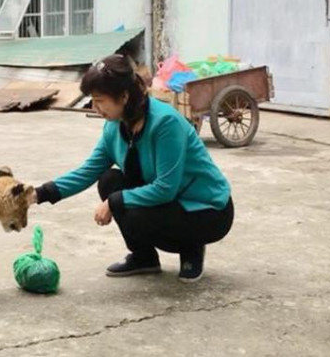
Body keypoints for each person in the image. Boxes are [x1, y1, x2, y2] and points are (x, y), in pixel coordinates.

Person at [35, 54, 234, 282]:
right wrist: (39, 194)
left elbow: (165, 188)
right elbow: (87, 171)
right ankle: (144, 257)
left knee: (128, 205)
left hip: (206, 210)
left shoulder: (165, 123)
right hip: (170, 202)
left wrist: (114, 202)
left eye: (99, 100)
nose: (95, 107)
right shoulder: (114, 127)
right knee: (110, 180)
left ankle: (192, 247)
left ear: (124, 96)